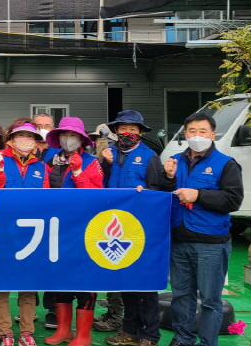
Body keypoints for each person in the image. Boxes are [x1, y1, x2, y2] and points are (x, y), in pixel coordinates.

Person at [163, 113, 242, 346]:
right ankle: (183, 338)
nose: (197, 136)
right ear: (185, 134)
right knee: (181, 295)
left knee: (209, 299)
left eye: (203, 131)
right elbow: (162, 194)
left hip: (210, 243)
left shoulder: (225, 164)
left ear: (212, 135)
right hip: (179, 239)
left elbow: (233, 200)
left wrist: (199, 195)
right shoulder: (174, 161)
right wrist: (167, 178)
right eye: (192, 131)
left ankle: (207, 342)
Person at [96, 110, 163, 346]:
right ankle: (129, 330)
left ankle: (149, 335)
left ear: (141, 133)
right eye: (123, 129)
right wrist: (105, 163)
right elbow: (99, 185)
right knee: (126, 282)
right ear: (115, 131)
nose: (127, 133)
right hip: (114, 228)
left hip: (141, 230)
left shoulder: (150, 157)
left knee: (145, 284)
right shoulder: (109, 154)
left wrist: (145, 194)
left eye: (133, 129)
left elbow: (157, 191)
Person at [0, 120, 47, 346]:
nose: (25, 140)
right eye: (20, 135)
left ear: (36, 142)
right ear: (11, 139)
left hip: (31, 234)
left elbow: (47, 198)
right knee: (1, 285)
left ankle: (27, 333)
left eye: (30, 136)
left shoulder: (41, 167)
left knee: (28, 286)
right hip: (2, 231)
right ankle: (5, 333)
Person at [44, 117, 103, 346]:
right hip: (58, 228)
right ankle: (63, 330)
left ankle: (83, 335)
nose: (68, 139)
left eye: (73, 135)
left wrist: (78, 171)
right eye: (64, 134)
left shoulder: (91, 162)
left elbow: (96, 195)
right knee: (60, 277)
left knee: (85, 279)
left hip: (84, 229)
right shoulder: (51, 161)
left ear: (82, 139)